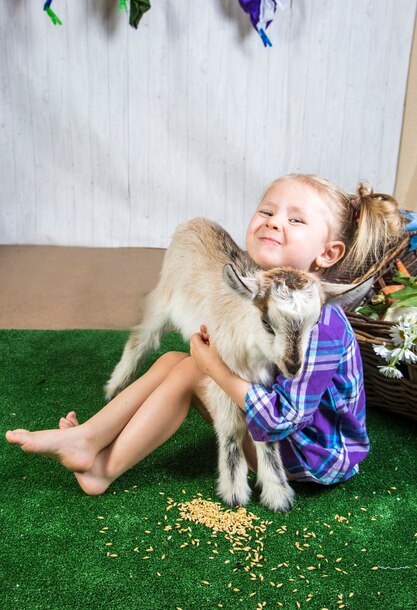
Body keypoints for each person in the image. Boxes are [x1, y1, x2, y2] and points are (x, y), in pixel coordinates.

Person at [5, 174, 404, 496]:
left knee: (192, 372)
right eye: (266, 210)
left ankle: (100, 467)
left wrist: (214, 368)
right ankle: (92, 443)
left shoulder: (321, 322)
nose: (273, 221)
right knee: (173, 361)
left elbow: (284, 418)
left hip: (313, 458)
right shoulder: (257, 289)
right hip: (281, 436)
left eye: (295, 220)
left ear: (328, 254)